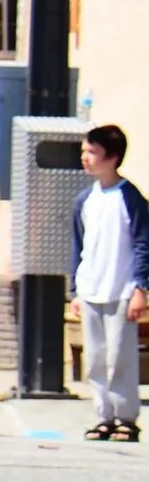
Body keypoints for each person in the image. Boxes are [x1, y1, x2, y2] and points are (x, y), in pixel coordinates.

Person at [72, 124, 147, 443]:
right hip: (91, 289)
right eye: (84, 152)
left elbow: (143, 244)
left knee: (120, 357)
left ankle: (125, 417)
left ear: (113, 157)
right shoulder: (85, 200)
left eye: (93, 153)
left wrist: (140, 288)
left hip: (121, 290)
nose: (86, 158)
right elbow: (79, 247)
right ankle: (103, 415)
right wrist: (75, 290)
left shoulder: (129, 198)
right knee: (97, 357)